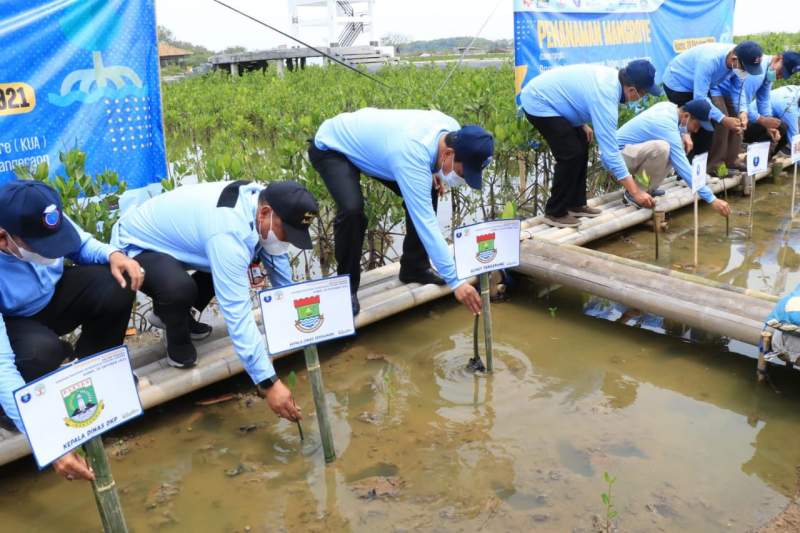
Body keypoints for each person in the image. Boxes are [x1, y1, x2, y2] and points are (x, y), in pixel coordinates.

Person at [111, 179, 318, 423]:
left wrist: (300, 323)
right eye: (286, 233)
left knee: (230, 263)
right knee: (182, 288)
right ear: (265, 213)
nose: (286, 241)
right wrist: (268, 382)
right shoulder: (229, 231)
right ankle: (169, 321)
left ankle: (177, 313)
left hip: (185, 242)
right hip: (136, 247)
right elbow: (237, 314)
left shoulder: (262, 208)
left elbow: (282, 277)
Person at [0, 180, 143, 482]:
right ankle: (10, 409)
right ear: (4, 238)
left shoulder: (37, 212)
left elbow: (83, 244)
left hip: (51, 297)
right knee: (41, 352)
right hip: (12, 320)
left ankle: (95, 377)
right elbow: (2, 365)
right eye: (41, 247)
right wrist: (48, 443)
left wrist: (114, 255)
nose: (51, 252)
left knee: (115, 283)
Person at [309, 108, 493, 316]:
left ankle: (414, 267)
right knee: (352, 210)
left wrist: (435, 170)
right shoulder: (411, 153)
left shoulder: (452, 130)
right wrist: (455, 281)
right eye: (461, 172)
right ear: (448, 154)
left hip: (381, 149)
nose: (461, 178)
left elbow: (429, 161)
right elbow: (426, 223)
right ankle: (345, 288)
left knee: (428, 186)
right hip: (333, 146)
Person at [519, 59, 663, 228]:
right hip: (538, 101)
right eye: (644, 94)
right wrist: (636, 192)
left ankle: (575, 204)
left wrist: (580, 123)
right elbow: (610, 153)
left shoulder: (613, 82)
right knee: (570, 153)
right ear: (632, 90)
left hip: (554, 101)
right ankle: (555, 212)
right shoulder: (606, 95)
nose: (641, 98)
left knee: (582, 140)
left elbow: (576, 95)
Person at [616, 99, 731, 216]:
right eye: (696, 125)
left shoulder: (670, 108)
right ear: (686, 116)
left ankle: (648, 189)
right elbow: (683, 168)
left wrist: (684, 134)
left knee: (676, 144)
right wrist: (712, 199)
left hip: (632, 152)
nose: (696, 130)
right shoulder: (666, 124)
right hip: (618, 157)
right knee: (662, 148)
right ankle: (634, 193)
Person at [661, 41, 764, 160]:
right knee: (695, 126)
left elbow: (737, 91)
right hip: (678, 84)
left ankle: (700, 165)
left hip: (699, 86)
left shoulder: (739, 63)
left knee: (709, 126)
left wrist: (742, 111)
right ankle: (686, 165)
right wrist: (723, 119)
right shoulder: (709, 61)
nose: (746, 73)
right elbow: (700, 99)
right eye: (745, 69)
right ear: (734, 59)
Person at [745, 85, 800, 157]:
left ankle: (767, 155)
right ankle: (758, 156)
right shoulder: (790, 107)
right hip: (748, 123)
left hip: (763, 117)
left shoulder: (797, 91)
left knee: (782, 125)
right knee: (783, 127)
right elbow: (794, 139)